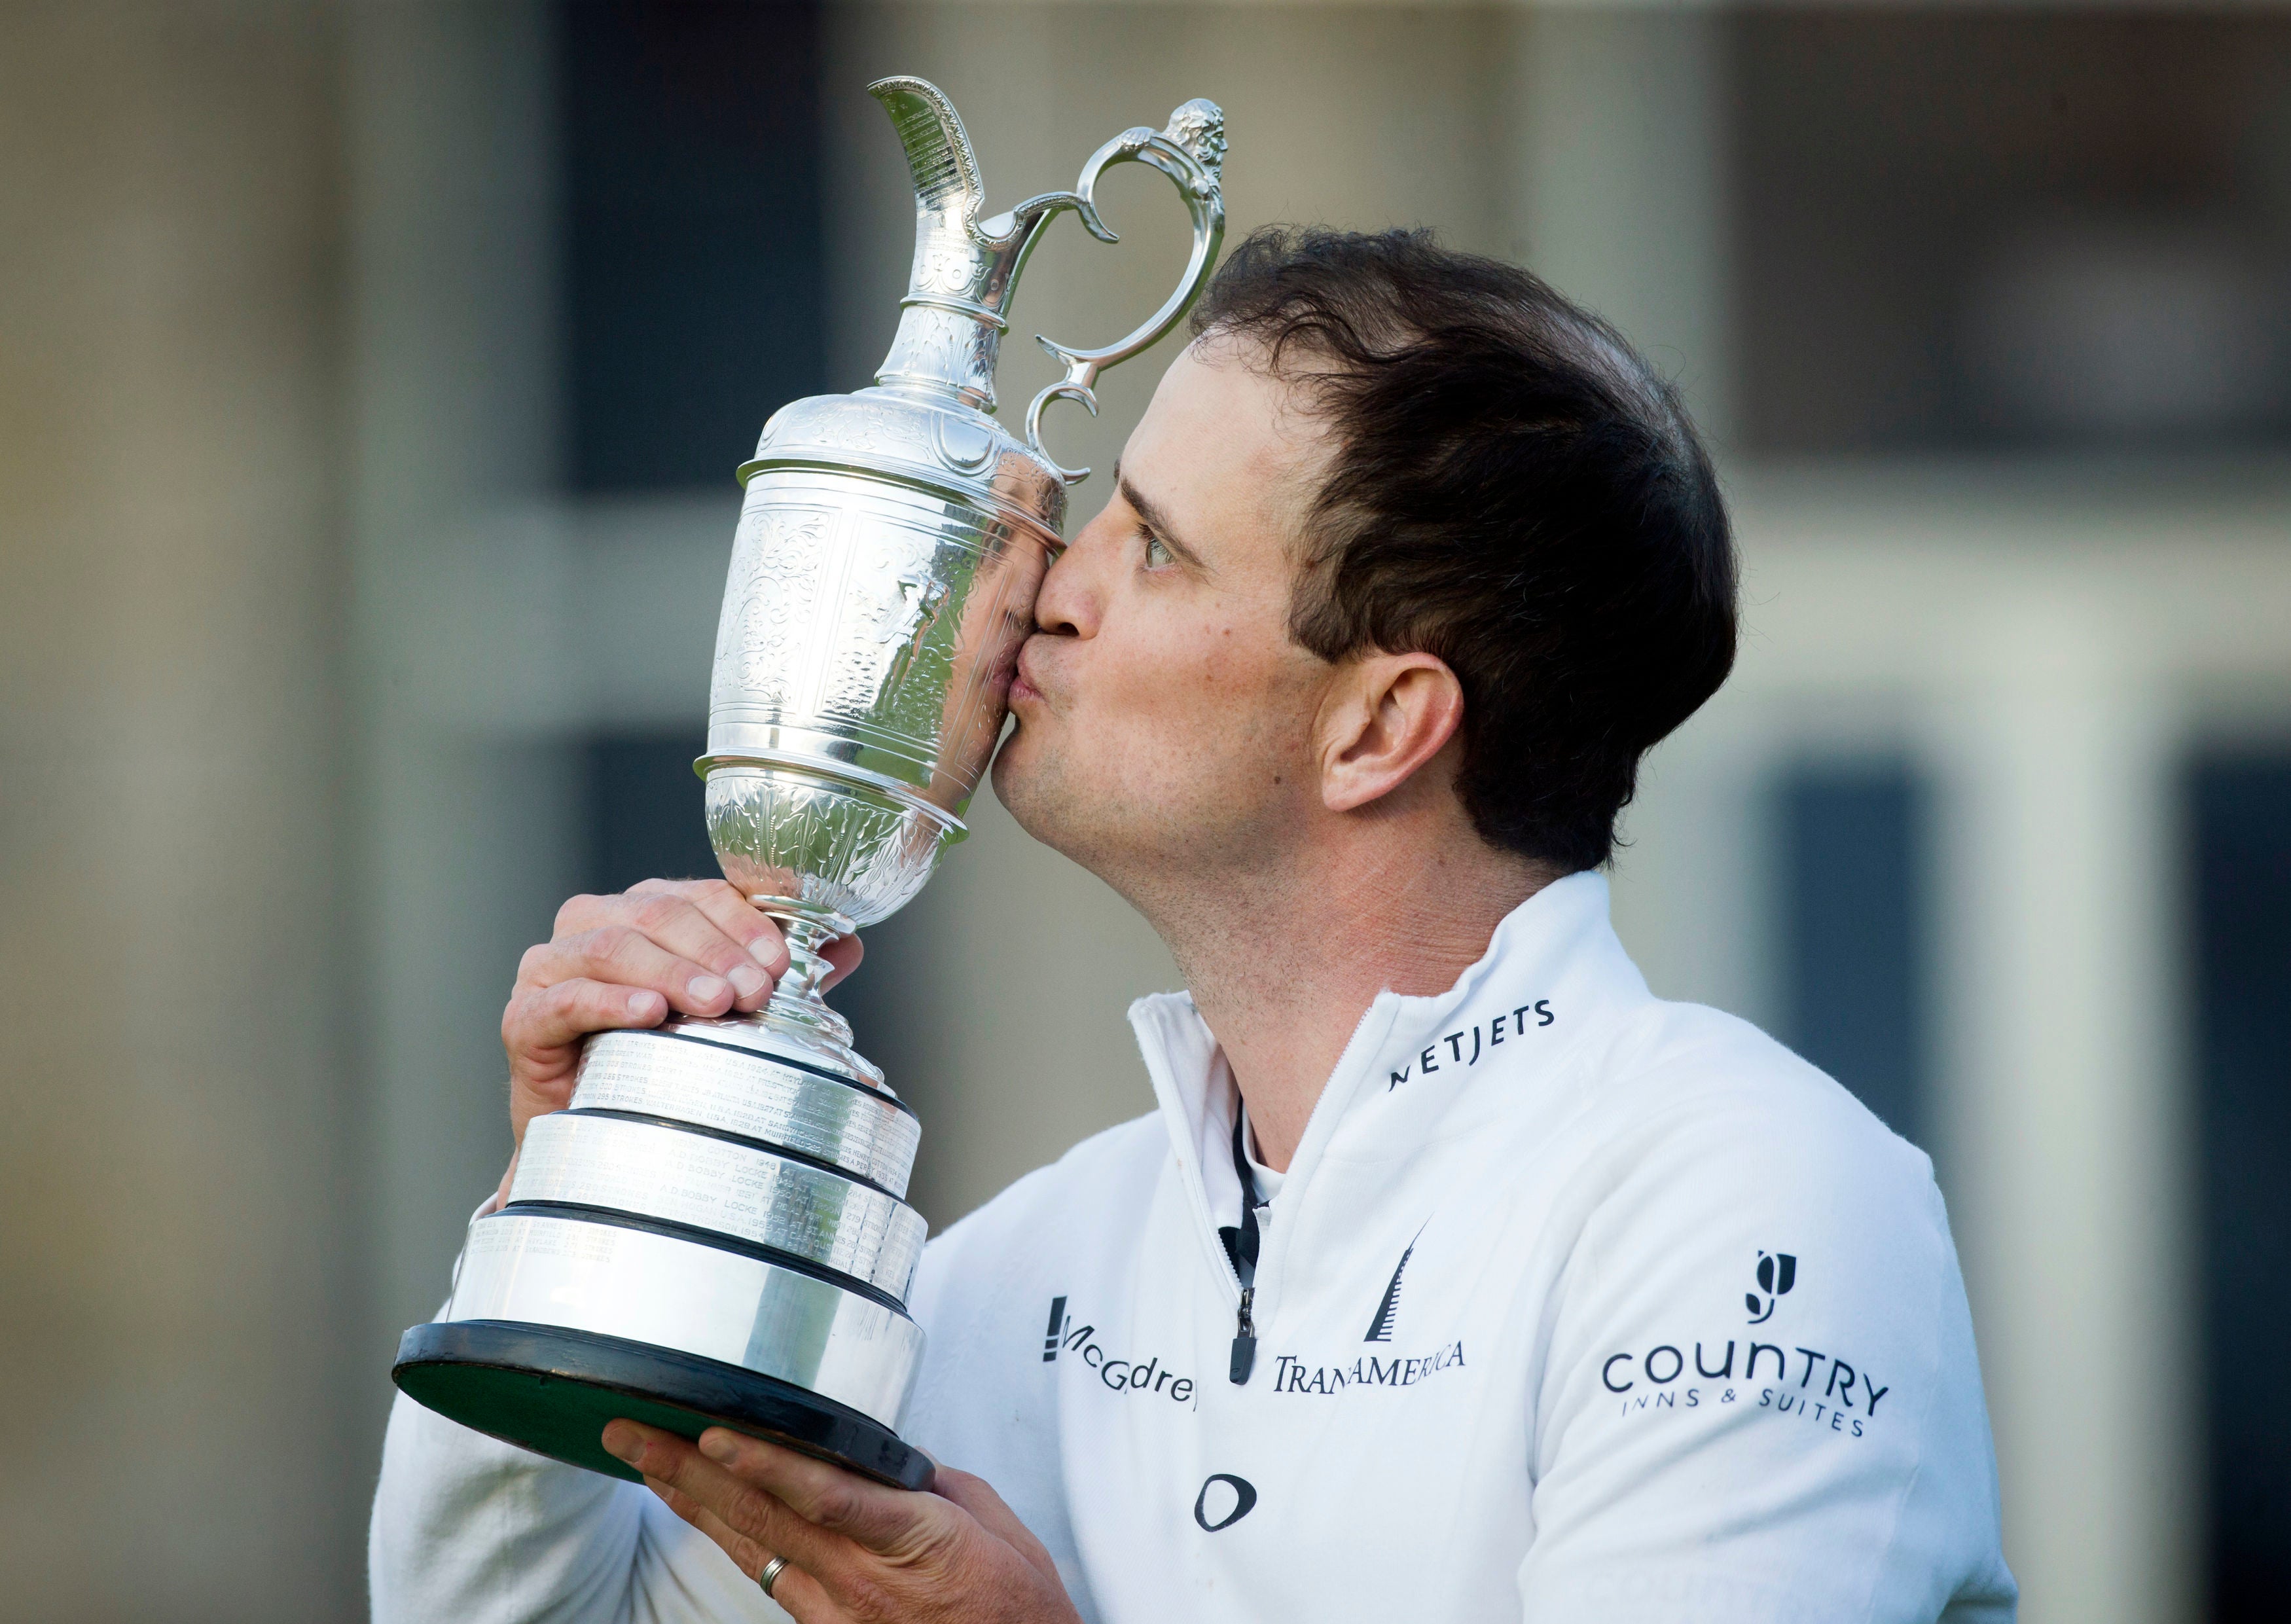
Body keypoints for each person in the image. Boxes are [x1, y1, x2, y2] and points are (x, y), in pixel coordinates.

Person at [370, 228, 2017, 1623]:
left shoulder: (1751, 1198)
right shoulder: (1030, 1259)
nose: (1047, 586)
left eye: (1150, 546)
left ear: (1380, 726)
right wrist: (580, 1195)